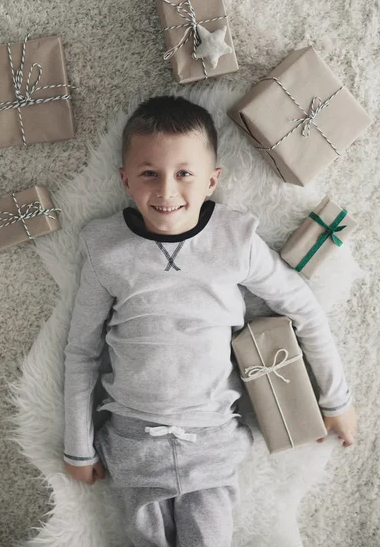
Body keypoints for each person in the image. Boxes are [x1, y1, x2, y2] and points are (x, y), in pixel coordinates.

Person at [63, 95, 358, 547]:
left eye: (184, 174)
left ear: (211, 180)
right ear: (124, 179)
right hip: (132, 440)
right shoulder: (106, 249)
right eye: (148, 174)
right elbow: (83, 352)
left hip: (212, 438)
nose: (165, 191)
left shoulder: (235, 239)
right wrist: (78, 446)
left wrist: (336, 400)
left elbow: (303, 307)